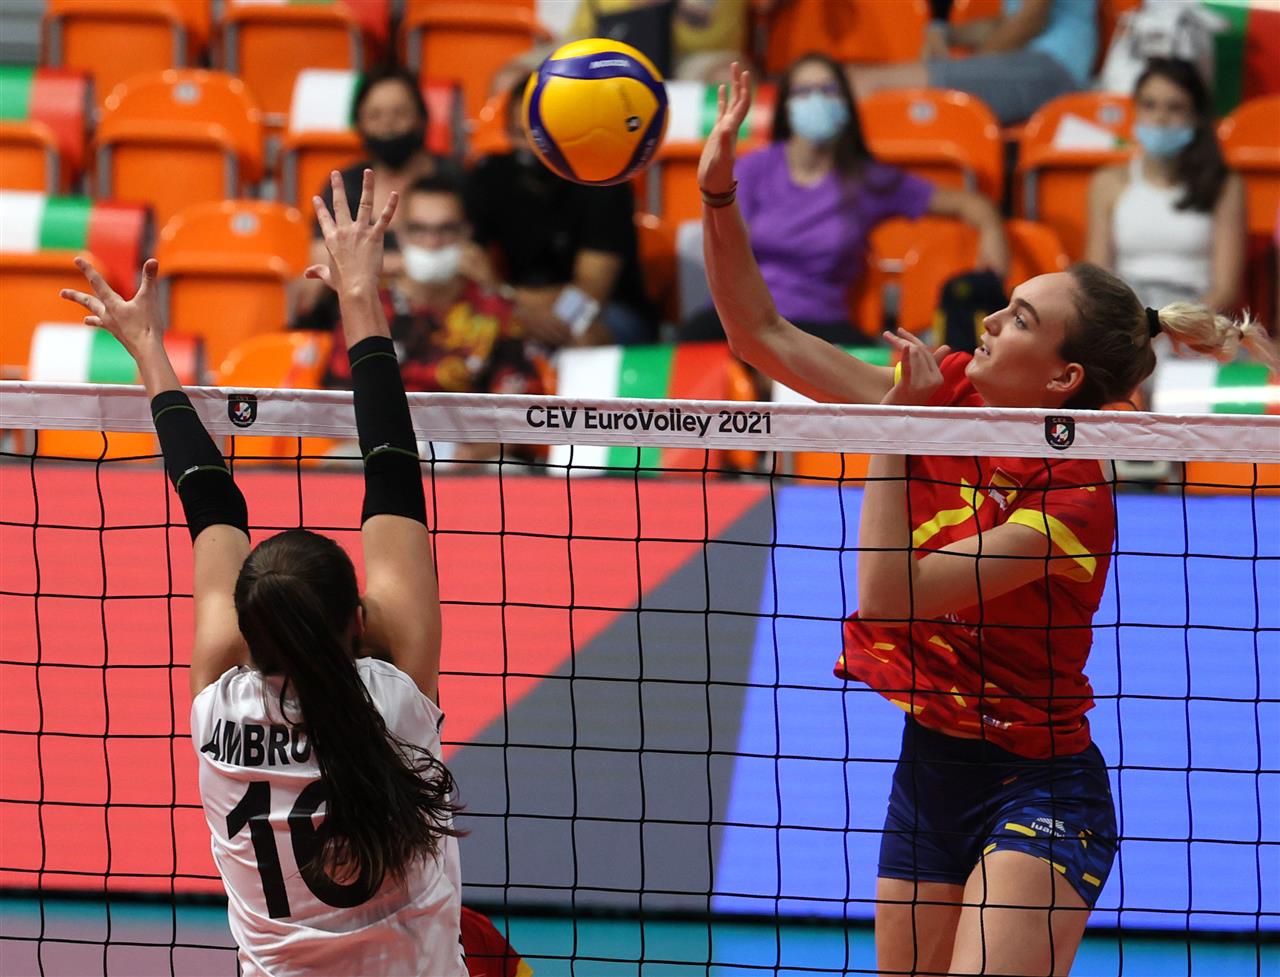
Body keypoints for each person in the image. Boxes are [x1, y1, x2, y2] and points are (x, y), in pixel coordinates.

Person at [699, 64, 1279, 977]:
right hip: (930, 770)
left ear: (1061, 379)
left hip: (1040, 781)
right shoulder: (948, 393)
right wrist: (717, 193)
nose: (992, 319)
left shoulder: (1072, 500)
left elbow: (888, 595)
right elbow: (760, 335)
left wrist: (895, 429)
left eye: (1019, 318)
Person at [61, 171, 468, 976]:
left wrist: (145, 350)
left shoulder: (219, 705)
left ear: (248, 633)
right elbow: (390, 467)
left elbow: (213, 503)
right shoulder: (392, 697)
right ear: (361, 617)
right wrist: (361, 294)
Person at [682, 51, 1008, 344]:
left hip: (820, 326)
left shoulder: (866, 179)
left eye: (828, 90)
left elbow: (974, 206)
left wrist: (991, 247)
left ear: (845, 103)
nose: (816, 99)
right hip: (741, 319)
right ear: (786, 106)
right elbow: (725, 250)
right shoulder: (753, 168)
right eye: (803, 92)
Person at [319, 176, 544, 464]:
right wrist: (397, 447)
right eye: (419, 229)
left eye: (445, 230)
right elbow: (336, 405)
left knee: (511, 473)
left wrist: (472, 454)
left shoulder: (497, 310)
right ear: (401, 234)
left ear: (465, 233)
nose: (432, 242)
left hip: (472, 459)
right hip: (382, 452)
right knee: (338, 462)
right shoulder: (368, 305)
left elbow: (521, 409)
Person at [465, 74, 657, 348]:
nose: (533, 148)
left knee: (580, 338)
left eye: (542, 136)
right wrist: (518, 313)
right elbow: (470, 263)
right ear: (506, 132)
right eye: (521, 135)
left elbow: (591, 292)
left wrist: (524, 310)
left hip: (608, 310)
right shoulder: (488, 176)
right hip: (516, 305)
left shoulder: (604, 182)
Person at [295, 63, 467, 323]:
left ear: (422, 117)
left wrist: (365, 265)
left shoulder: (457, 179)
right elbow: (325, 267)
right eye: (375, 116)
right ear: (360, 124)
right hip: (356, 318)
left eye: (400, 113)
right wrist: (419, 265)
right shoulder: (344, 185)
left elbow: (472, 261)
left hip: (447, 318)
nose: (388, 125)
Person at [1085, 57, 1245, 312]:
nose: (1160, 117)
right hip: (1127, 317)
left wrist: (1175, 325)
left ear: (1196, 116)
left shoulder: (1226, 185)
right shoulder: (1106, 181)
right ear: (1136, 110)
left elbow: (1225, 290)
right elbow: (1097, 279)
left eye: (1175, 108)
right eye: (1149, 105)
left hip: (1196, 319)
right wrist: (1135, 326)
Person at [850, 0, 1098, 127]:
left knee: (866, 83)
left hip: (1052, 70)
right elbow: (1009, 24)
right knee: (856, 81)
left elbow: (1031, 20)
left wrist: (970, 65)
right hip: (1029, 66)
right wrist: (947, 33)